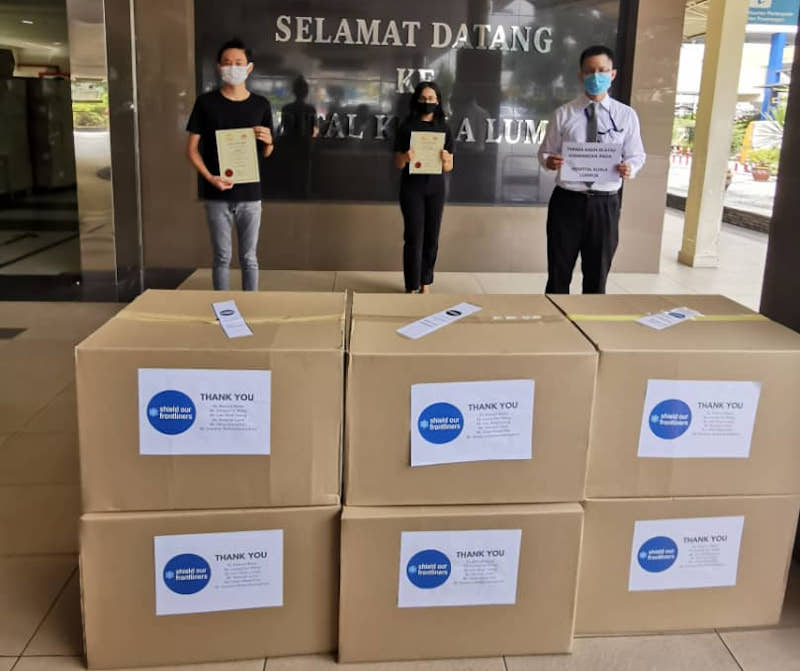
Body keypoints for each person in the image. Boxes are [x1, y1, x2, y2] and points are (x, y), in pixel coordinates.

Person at [538, 45, 646, 294]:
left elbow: (636, 155)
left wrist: (630, 168)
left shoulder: (626, 116)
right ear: (580, 75)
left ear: (613, 74)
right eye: (590, 71)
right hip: (567, 202)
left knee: (597, 275)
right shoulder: (563, 114)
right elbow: (545, 152)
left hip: (605, 204)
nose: (596, 76)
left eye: (602, 70)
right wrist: (549, 161)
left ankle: (590, 326)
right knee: (558, 271)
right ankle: (556, 324)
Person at [186, 38, 274, 291]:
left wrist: (268, 141)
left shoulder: (261, 104)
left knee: (249, 259)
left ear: (249, 68)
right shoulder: (206, 103)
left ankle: (251, 308)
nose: (232, 67)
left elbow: (267, 152)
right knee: (222, 258)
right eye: (227, 63)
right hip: (217, 192)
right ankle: (223, 311)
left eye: (238, 63)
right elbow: (191, 150)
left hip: (250, 194)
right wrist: (210, 177)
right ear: (218, 67)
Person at [394, 81, 455, 294]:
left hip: (436, 189)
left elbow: (449, 166)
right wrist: (405, 156)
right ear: (416, 101)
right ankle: (411, 284)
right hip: (412, 188)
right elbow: (398, 163)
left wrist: (446, 159)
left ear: (438, 102)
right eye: (423, 99)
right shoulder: (406, 127)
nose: (427, 102)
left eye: (431, 99)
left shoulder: (444, 129)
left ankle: (425, 282)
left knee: (431, 237)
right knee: (413, 237)